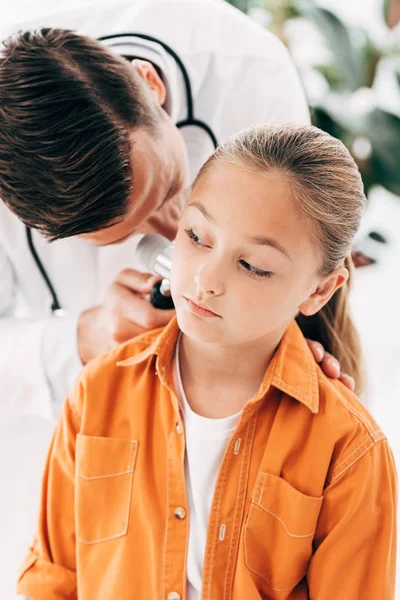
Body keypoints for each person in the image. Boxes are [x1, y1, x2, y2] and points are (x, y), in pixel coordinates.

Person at [17, 123, 397, 600]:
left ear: (319, 290)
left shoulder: (349, 451)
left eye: (253, 266)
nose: (205, 279)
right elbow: (54, 583)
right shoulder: (97, 393)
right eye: (196, 236)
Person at [0, 0, 353, 420]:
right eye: (127, 235)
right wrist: (80, 339)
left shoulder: (248, 70)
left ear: (149, 84)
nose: (174, 233)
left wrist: (271, 340)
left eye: (169, 187)